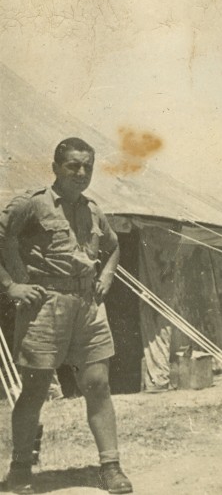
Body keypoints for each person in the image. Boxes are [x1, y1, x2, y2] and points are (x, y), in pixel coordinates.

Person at [0, 138, 133, 494]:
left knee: (98, 384)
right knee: (36, 389)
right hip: (46, 304)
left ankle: (111, 467)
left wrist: (106, 274)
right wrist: (10, 286)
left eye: (87, 166)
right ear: (56, 167)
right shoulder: (33, 204)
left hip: (87, 306)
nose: (81, 172)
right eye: (73, 165)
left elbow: (113, 244)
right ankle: (21, 468)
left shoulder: (92, 209)